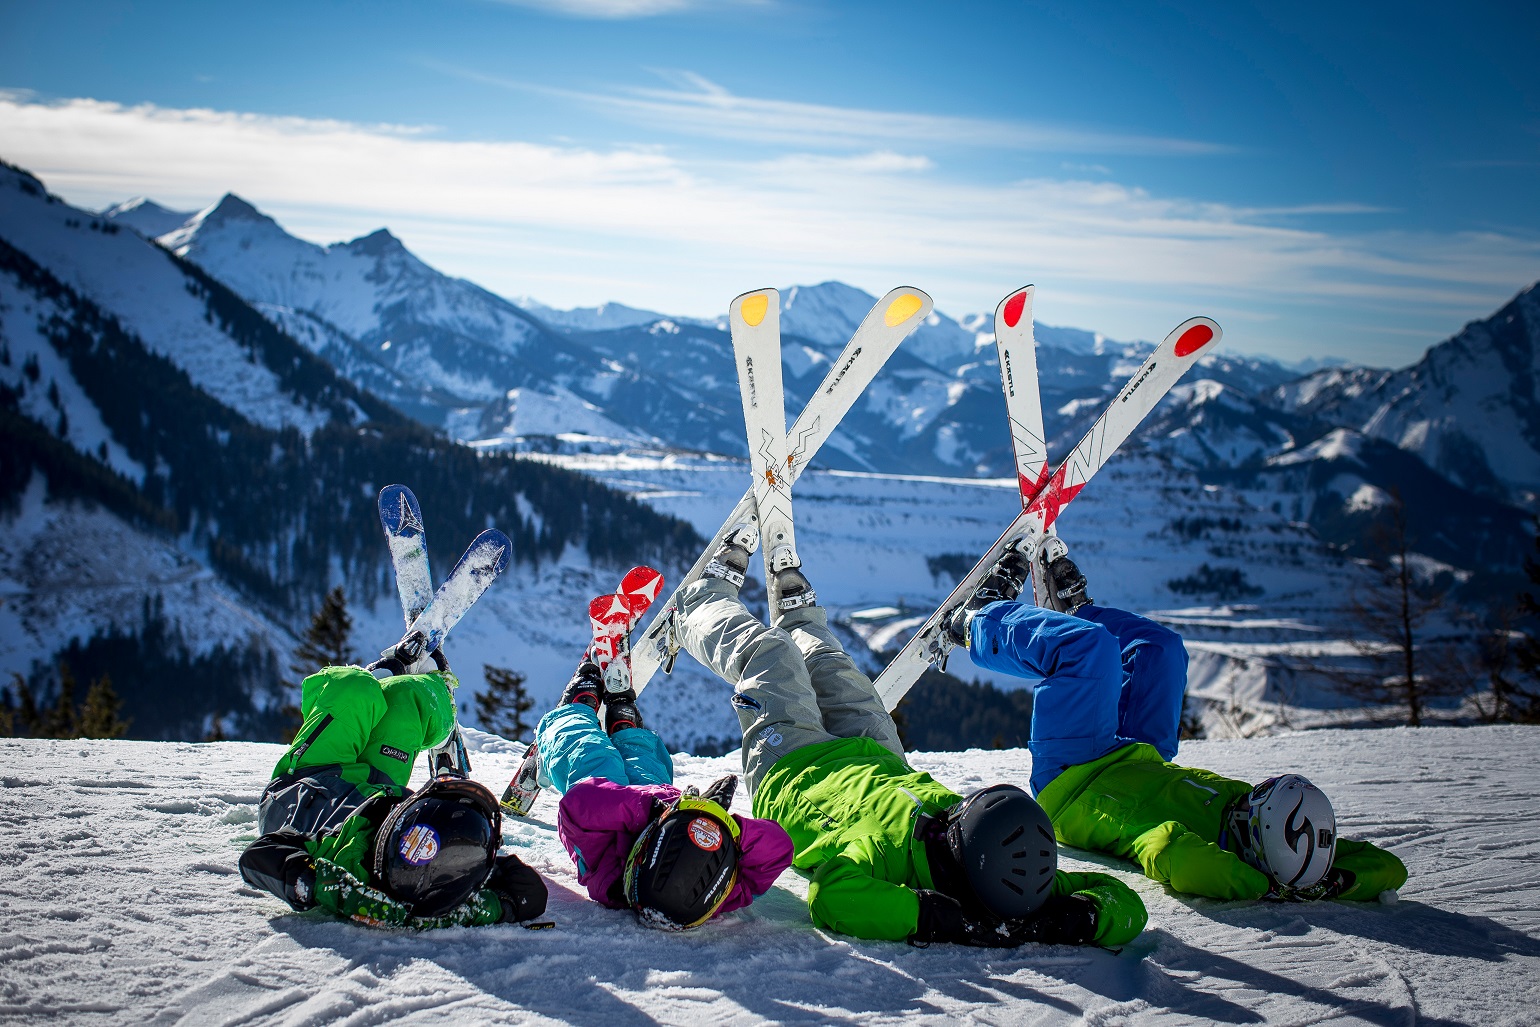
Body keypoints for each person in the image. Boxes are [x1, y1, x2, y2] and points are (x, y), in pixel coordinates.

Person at [664, 524, 1148, 948]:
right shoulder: (1017, 877)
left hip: (794, 772)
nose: (951, 809)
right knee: (832, 666)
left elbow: (833, 897)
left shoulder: (886, 854)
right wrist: (1057, 923)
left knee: (770, 657)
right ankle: (800, 621)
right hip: (879, 759)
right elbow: (1126, 904)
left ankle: (698, 606)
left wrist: (939, 919)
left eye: (956, 817)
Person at [948, 537, 1408, 903]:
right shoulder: (1272, 837)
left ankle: (975, 620)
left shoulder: (1184, 846)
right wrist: (1319, 879)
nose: (1253, 794)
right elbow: (1388, 867)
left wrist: (1263, 887)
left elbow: (1179, 860)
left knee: (1088, 651)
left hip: (1075, 780)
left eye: (1259, 804)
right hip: (1140, 758)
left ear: (1259, 836)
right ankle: (1076, 615)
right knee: (1162, 650)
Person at [238, 652, 548, 928]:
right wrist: (469, 900)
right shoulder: (445, 870)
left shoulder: (341, 863)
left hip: (310, 782)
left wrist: (337, 891)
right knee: (410, 699)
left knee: (353, 688)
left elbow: (257, 856)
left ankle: (371, 689)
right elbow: (530, 893)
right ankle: (434, 697)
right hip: (381, 786)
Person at [533, 657, 795, 930]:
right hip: (662, 797)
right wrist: (717, 821)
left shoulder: (608, 877)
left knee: (590, 754)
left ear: (640, 858)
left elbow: (580, 804)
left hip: (609, 819)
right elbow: (779, 848)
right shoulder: (717, 892)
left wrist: (656, 811)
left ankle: (574, 712)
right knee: (645, 764)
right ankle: (625, 729)